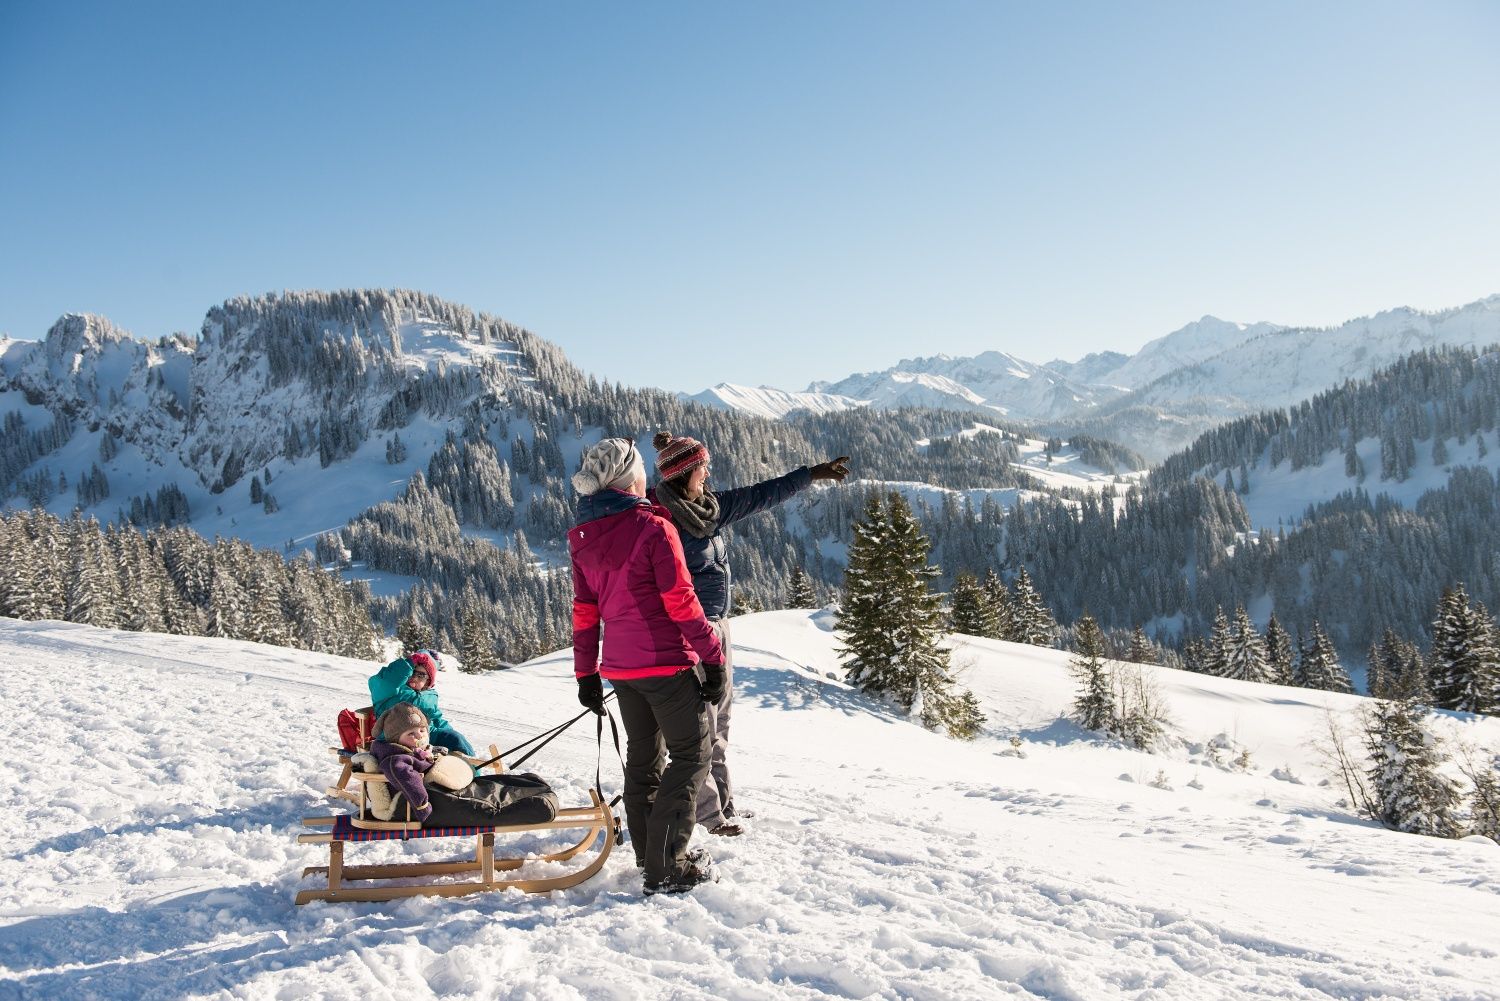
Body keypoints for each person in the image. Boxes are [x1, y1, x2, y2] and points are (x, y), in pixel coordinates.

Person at [649, 431, 850, 837]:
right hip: (688, 634)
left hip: (719, 628)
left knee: (720, 721)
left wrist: (809, 474)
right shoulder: (660, 520)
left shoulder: (708, 508)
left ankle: (723, 803)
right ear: (684, 472)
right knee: (698, 726)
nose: (708, 472)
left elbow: (762, 494)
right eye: (702, 466)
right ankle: (708, 816)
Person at [569, 437, 725, 895]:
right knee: (692, 755)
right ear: (629, 478)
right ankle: (666, 869)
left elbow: (585, 611)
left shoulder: (584, 537)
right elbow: (681, 602)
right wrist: (712, 656)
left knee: (643, 759)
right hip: (666, 665)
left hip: (621, 669)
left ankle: (648, 856)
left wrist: (586, 673)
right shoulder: (653, 528)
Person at [369, 703, 557, 827]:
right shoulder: (396, 759)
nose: (419, 736)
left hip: (439, 788)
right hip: (419, 804)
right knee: (484, 806)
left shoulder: (409, 750)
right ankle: (538, 804)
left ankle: (530, 785)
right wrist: (423, 807)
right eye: (411, 734)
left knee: (488, 787)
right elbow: (408, 780)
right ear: (396, 739)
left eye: (422, 730)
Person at [368, 649, 475, 756]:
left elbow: (436, 719)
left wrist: (449, 733)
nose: (414, 677)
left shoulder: (429, 696)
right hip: (394, 736)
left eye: (421, 675)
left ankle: (473, 769)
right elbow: (385, 681)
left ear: (428, 681)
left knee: (455, 739)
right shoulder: (392, 691)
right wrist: (409, 663)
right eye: (412, 672)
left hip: (425, 734)